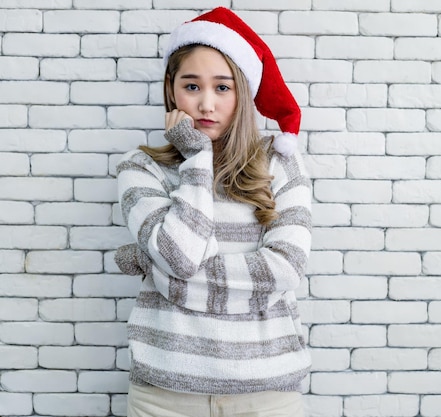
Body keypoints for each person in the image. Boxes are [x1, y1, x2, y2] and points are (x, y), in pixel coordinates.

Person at [114, 7, 311, 417]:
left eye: (222, 88)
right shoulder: (141, 168)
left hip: (267, 393)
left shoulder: (279, 162)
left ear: (242, 91)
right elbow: (181, 256)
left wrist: (154, 266)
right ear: (172, 90)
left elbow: (286, 270)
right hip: (163, 394)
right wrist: (197, 158)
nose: (206, 104)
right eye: (191, 86)